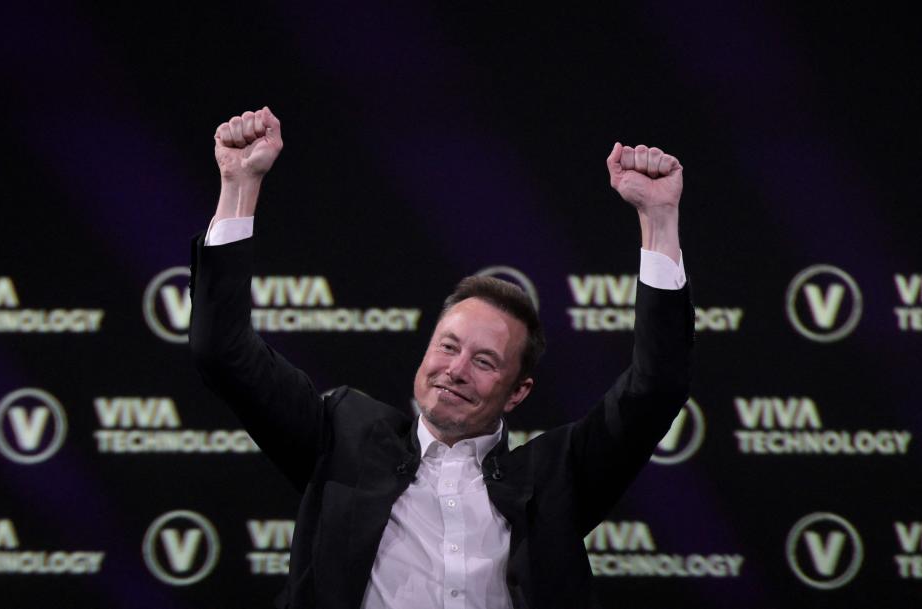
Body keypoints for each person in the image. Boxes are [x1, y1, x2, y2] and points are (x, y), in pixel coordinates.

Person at [190, 106, 694, 609]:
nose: (455, 370)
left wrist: (658, 219)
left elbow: (657, 387)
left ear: (518, 391)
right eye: (448, 347)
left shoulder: (556, 479)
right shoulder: (340, 440)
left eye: (484, 361)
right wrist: (239, 185)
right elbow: (224, 352)